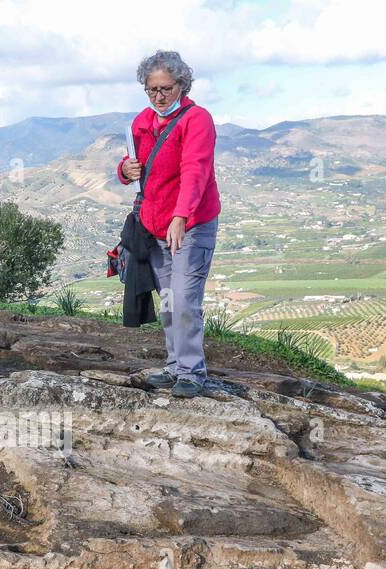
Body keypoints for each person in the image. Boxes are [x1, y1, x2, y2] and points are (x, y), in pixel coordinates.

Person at [117, 50, 221, 398]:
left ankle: (192, 372)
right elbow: (135, 165)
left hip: (192, 224)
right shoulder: (141, 122)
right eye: (152, 90)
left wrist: (181, 216)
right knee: (167, 299)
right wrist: (124, 170)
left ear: (182, 85)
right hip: (154, 226)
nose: (159, 97)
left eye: (166, 89)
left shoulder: (198, 120)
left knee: (185, 298)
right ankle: (175, 365)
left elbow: (196, 170)